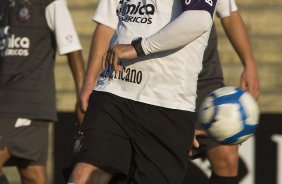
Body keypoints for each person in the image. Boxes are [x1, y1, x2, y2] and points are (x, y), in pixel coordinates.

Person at [68, 0, 240, 183]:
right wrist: (89, 84)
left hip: (166, 103)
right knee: (83, 175)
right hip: (113, 89)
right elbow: (107, 21)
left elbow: (199, 19)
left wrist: (138, 48)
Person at [0, 0, 85, 183]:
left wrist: (82, 97)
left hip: (28, 102)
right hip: (8, 103)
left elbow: (73, 50)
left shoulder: (52, 3)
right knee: (33, 176)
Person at [186, 2, 260, 184]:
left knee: (227, 157)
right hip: (159, 79)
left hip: (205, 77)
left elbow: (229, 13)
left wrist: (249, 64)